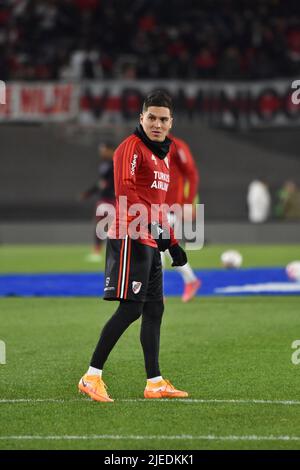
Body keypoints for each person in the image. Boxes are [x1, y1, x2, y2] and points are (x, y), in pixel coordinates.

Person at [78, 91, 189, 402]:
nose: (156, 123)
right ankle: (91, 376)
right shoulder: (130, 148)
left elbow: (157, 204)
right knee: (130, 309)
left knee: (155, 308)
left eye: (163, 119)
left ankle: (154, 382)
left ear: (171, 123)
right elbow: (125, 191)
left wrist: (173, 242)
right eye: (151, 117)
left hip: (150, 237)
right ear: (141, 118)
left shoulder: (166, 155)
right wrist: (156, 230)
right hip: (130, 235)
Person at [161, 134, 201, 302]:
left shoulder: (176, 145)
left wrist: (187, 203)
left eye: (162, 119)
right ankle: (191, 280)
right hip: (151, 206)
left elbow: (191, 174)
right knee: (166, 248)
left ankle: (156, 292)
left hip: (169, 207)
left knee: (157, 248)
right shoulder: (143, 145)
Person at [79, 142, 115, 262]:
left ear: (110, 150)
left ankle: (115, 251)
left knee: (114, 226)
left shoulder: (118, 162)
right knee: (100, 225)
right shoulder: (104, 165)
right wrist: (89, 193)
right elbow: (101, 183)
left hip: (115, 200)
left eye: (104, 149)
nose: (101, 152)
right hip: (104, 199)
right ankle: (97, 251)